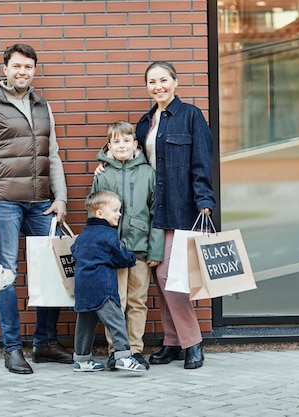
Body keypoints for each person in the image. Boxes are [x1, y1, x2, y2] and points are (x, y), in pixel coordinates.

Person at [0, 43, 73, 374]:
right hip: (3, 203)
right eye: (16, 66)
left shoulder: (43, 105)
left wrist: (61, 197)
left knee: (53, 268)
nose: (22, 71)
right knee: (7, 274)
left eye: (28, 66)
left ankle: (45, 343)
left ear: (34, 70)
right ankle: (12, 348)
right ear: (5, 69)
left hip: (41, 202)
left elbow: (51, 154)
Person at [136, 61, 216, 370]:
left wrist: (204, 202)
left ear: (175, 82)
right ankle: (173, 342)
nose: (158, 86)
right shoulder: (145, 122)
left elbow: (201, 163)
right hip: (154, 211)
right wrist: (105, 162)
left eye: (164, 80)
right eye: (152, 81)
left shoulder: (191, 116)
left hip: (183, 209)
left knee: (172, 277)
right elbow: (131, 158)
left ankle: (193, 342)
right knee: (161, 277)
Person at [91, 121, 164, 370]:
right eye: (115, 142)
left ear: (135, 145)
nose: (121, 146)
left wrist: (155, 250)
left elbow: (156, 214)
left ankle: (134, 349)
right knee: (116, 301)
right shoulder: (103, 175)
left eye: (125, 141)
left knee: (137, 301)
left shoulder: (148, 173)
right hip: (113, 251)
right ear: (109, 146)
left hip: (140, 250)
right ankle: (117, 350)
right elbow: (95, 213)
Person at [70, 190, 147, 373]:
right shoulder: (108, 234)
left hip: (83, 286)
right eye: (115, 210)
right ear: (100, 213)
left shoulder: (83, 235)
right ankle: (124, 356)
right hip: (103, 287)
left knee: (85, 324)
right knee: (116, 321)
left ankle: (81, 360)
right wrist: (131, 258)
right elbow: (118, 256)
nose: (119, 214)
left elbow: (74, 251)